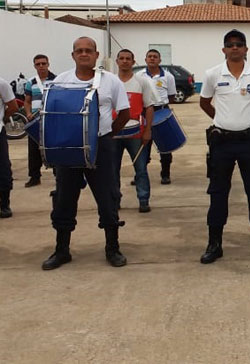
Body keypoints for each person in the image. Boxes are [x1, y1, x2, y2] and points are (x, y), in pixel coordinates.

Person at [42, 36, 131, 270]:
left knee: (107, 197)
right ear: (73, 55)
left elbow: (123, 113)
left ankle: (112, 248)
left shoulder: (110, 81)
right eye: (79, 50)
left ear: (96, 55)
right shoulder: (61, 81)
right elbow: (52, 115)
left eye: (88, 50)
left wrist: (107, 134)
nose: (84, 54)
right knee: (64, 198)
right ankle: (61, 250)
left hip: (101, 147)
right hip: (68, 149)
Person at [199, 29, 250, 264]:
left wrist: (247, 116)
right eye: (230, 44)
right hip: (222, 144)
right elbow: (204, 102)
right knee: (218, 193)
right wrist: (222, 117)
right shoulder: (213, 74)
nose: (234, 48)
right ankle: (215, 244)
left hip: (249, 144)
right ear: (223, 49)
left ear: (246, 49)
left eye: (239, 44)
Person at [113, 49, 158, 212]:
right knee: (112, 170)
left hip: (136, 134)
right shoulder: (110, 82)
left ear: (133, 62)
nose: (125, 61)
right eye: (122, 58)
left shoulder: (142, 82)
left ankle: (144, 199)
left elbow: (149, 107)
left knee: (140, 169)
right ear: (117, 61)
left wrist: (148, 131)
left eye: (128, 59)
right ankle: (114, 200)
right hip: (113, 134)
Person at [137, 49, 177, 184]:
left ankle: (165, 174)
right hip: (144, 113)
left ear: (160, 60)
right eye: (150, 56)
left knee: (165, 147)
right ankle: (140, 175)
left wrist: (161, 107)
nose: (152, 59)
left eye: (155, 57)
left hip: (161, 112)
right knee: (143, 146)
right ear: (145, 59)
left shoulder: (168, 76)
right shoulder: (139, 75)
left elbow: (171, 96)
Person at [23, 54, 56, 188]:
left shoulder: (57, 80)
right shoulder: (31, 82)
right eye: (38, 64)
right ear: (34, 66)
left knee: (54, 148)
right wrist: (29, 113)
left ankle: (58, 175)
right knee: (33, 149)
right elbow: (27, 101)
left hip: (52, 120)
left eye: (44, 63)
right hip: (36, 120)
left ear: (48, 64)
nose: (41, 66)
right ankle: (34, 177)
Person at [0, 77, 18, 219]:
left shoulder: (2, 84)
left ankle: (4, 204)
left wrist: (2, 119)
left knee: (3, 168)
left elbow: (12, 106)